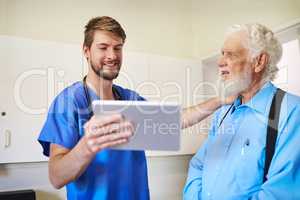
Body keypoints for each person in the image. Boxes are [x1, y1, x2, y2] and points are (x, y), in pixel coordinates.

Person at [38, 16, 231, 200]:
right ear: (86, 51)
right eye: (103, 48)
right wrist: (88, 145)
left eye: (118, 48)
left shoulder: (129, 98)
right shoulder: (69, 102)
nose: (112, 56)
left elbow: (176, 119)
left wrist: (220, 99)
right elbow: (56, 177)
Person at [183, 23, 300, 200]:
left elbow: (279, 193)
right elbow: (198, 165)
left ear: (259, 61)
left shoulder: (291, 111)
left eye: (230, 55)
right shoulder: (223, 113)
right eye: (222, 54)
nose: (220, 62)